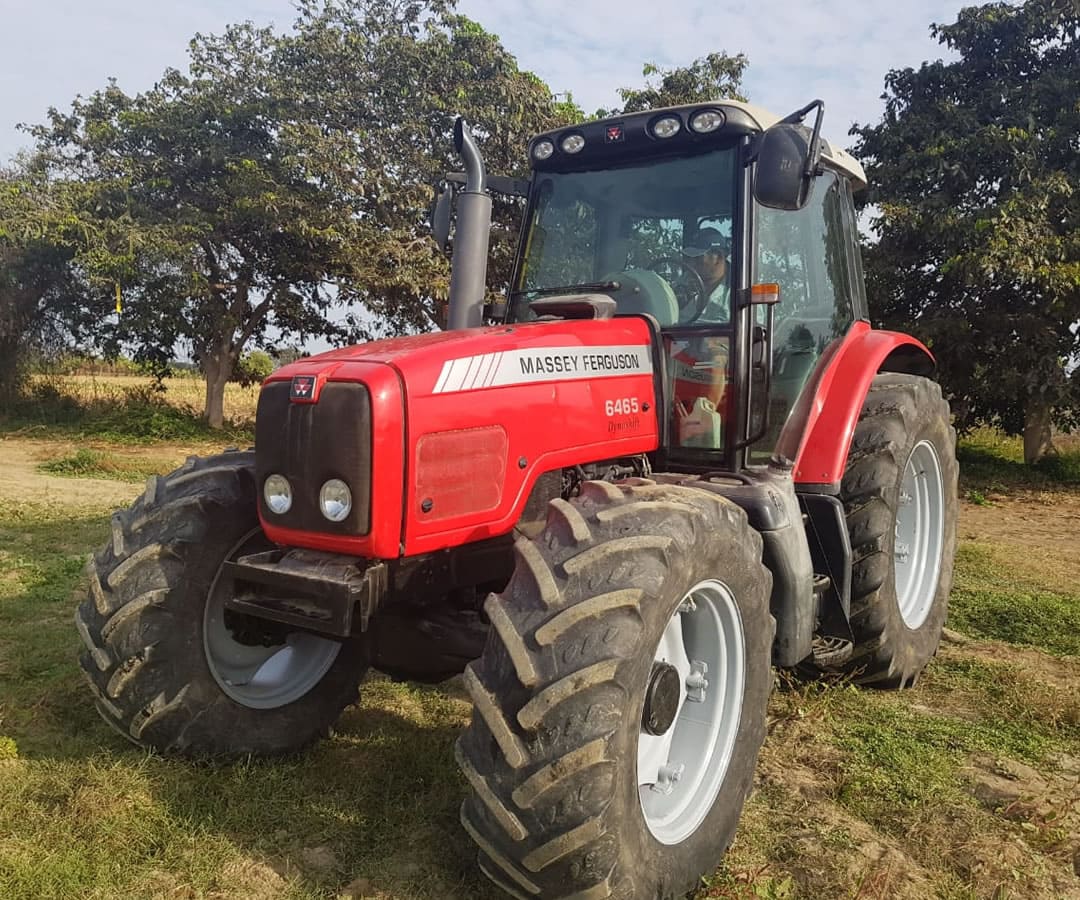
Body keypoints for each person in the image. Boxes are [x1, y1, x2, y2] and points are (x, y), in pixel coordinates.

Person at [681, 226, 731, 321]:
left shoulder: (740, 291)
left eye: (698, 258)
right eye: (689, 258)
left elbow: (751, 331)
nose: (691, 264)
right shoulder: (683, 281)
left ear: (718, 257)